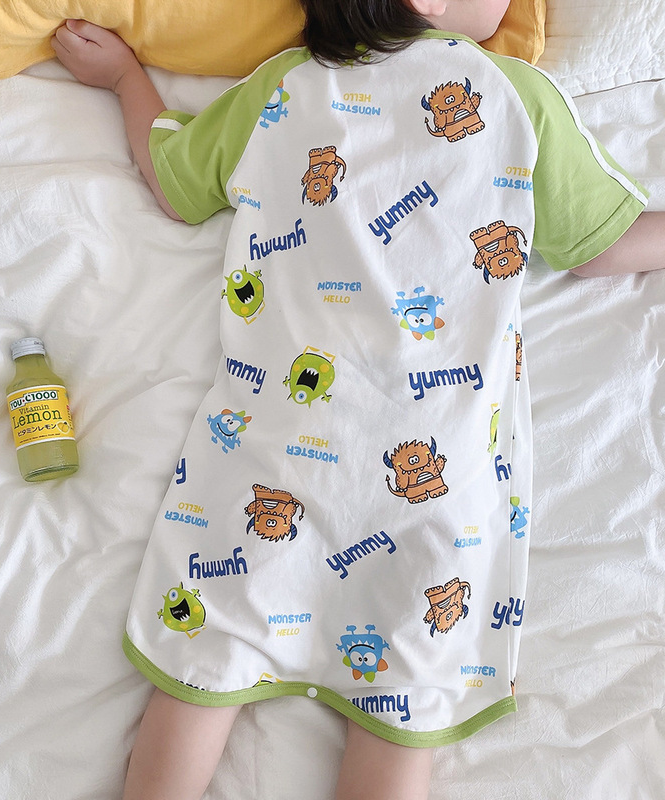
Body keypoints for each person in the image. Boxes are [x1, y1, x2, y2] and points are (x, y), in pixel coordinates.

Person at [51, 2, 663, 798]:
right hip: (442, 472)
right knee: (404, 692)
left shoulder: (285, 86)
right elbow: (601, 245)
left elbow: (174, 182)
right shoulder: (516, 94)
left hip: (277, 445)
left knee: (211, 647)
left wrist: (126, 80)